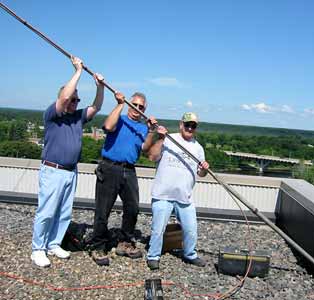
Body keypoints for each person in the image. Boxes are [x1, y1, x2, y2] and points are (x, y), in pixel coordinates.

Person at [31, 56, 105, 268]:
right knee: (46, 211)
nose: (74, 103)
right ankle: (38, 249)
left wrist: (99, 86)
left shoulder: (78, 117)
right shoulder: (52, 115)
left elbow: (97, 106)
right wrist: (78, 72)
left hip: (71, 171)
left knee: (64, 212)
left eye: (77, 100)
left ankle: (54, 243)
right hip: (52, 170)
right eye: (72, 99)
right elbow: (63, 99)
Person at [90, 91, 160, 266]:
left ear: (145, 109)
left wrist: (151, 130)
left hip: (129, 170)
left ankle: (125, 242)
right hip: (110, 167)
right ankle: (98, 245)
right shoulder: (120, 119)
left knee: (132, 208)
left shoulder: (143, 128)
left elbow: (145, 147)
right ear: (129, 104)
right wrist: (120, 104)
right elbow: (108, 126)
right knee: (103, 209)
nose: (137, 109)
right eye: (134, 104)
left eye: (141, 107)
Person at [146, 112, 209, 270]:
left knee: (191, 229)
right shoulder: (168, 138)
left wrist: (205, 169)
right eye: (187, 124)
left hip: (184, 197)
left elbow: (201, 174)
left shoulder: (198, 148)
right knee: (158, 229)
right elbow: (152, 157)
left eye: (193, 126)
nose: (189, 128)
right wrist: (160, 138)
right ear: (181, 124)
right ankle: (153, 256)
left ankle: (190, 254)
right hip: (163, 195)